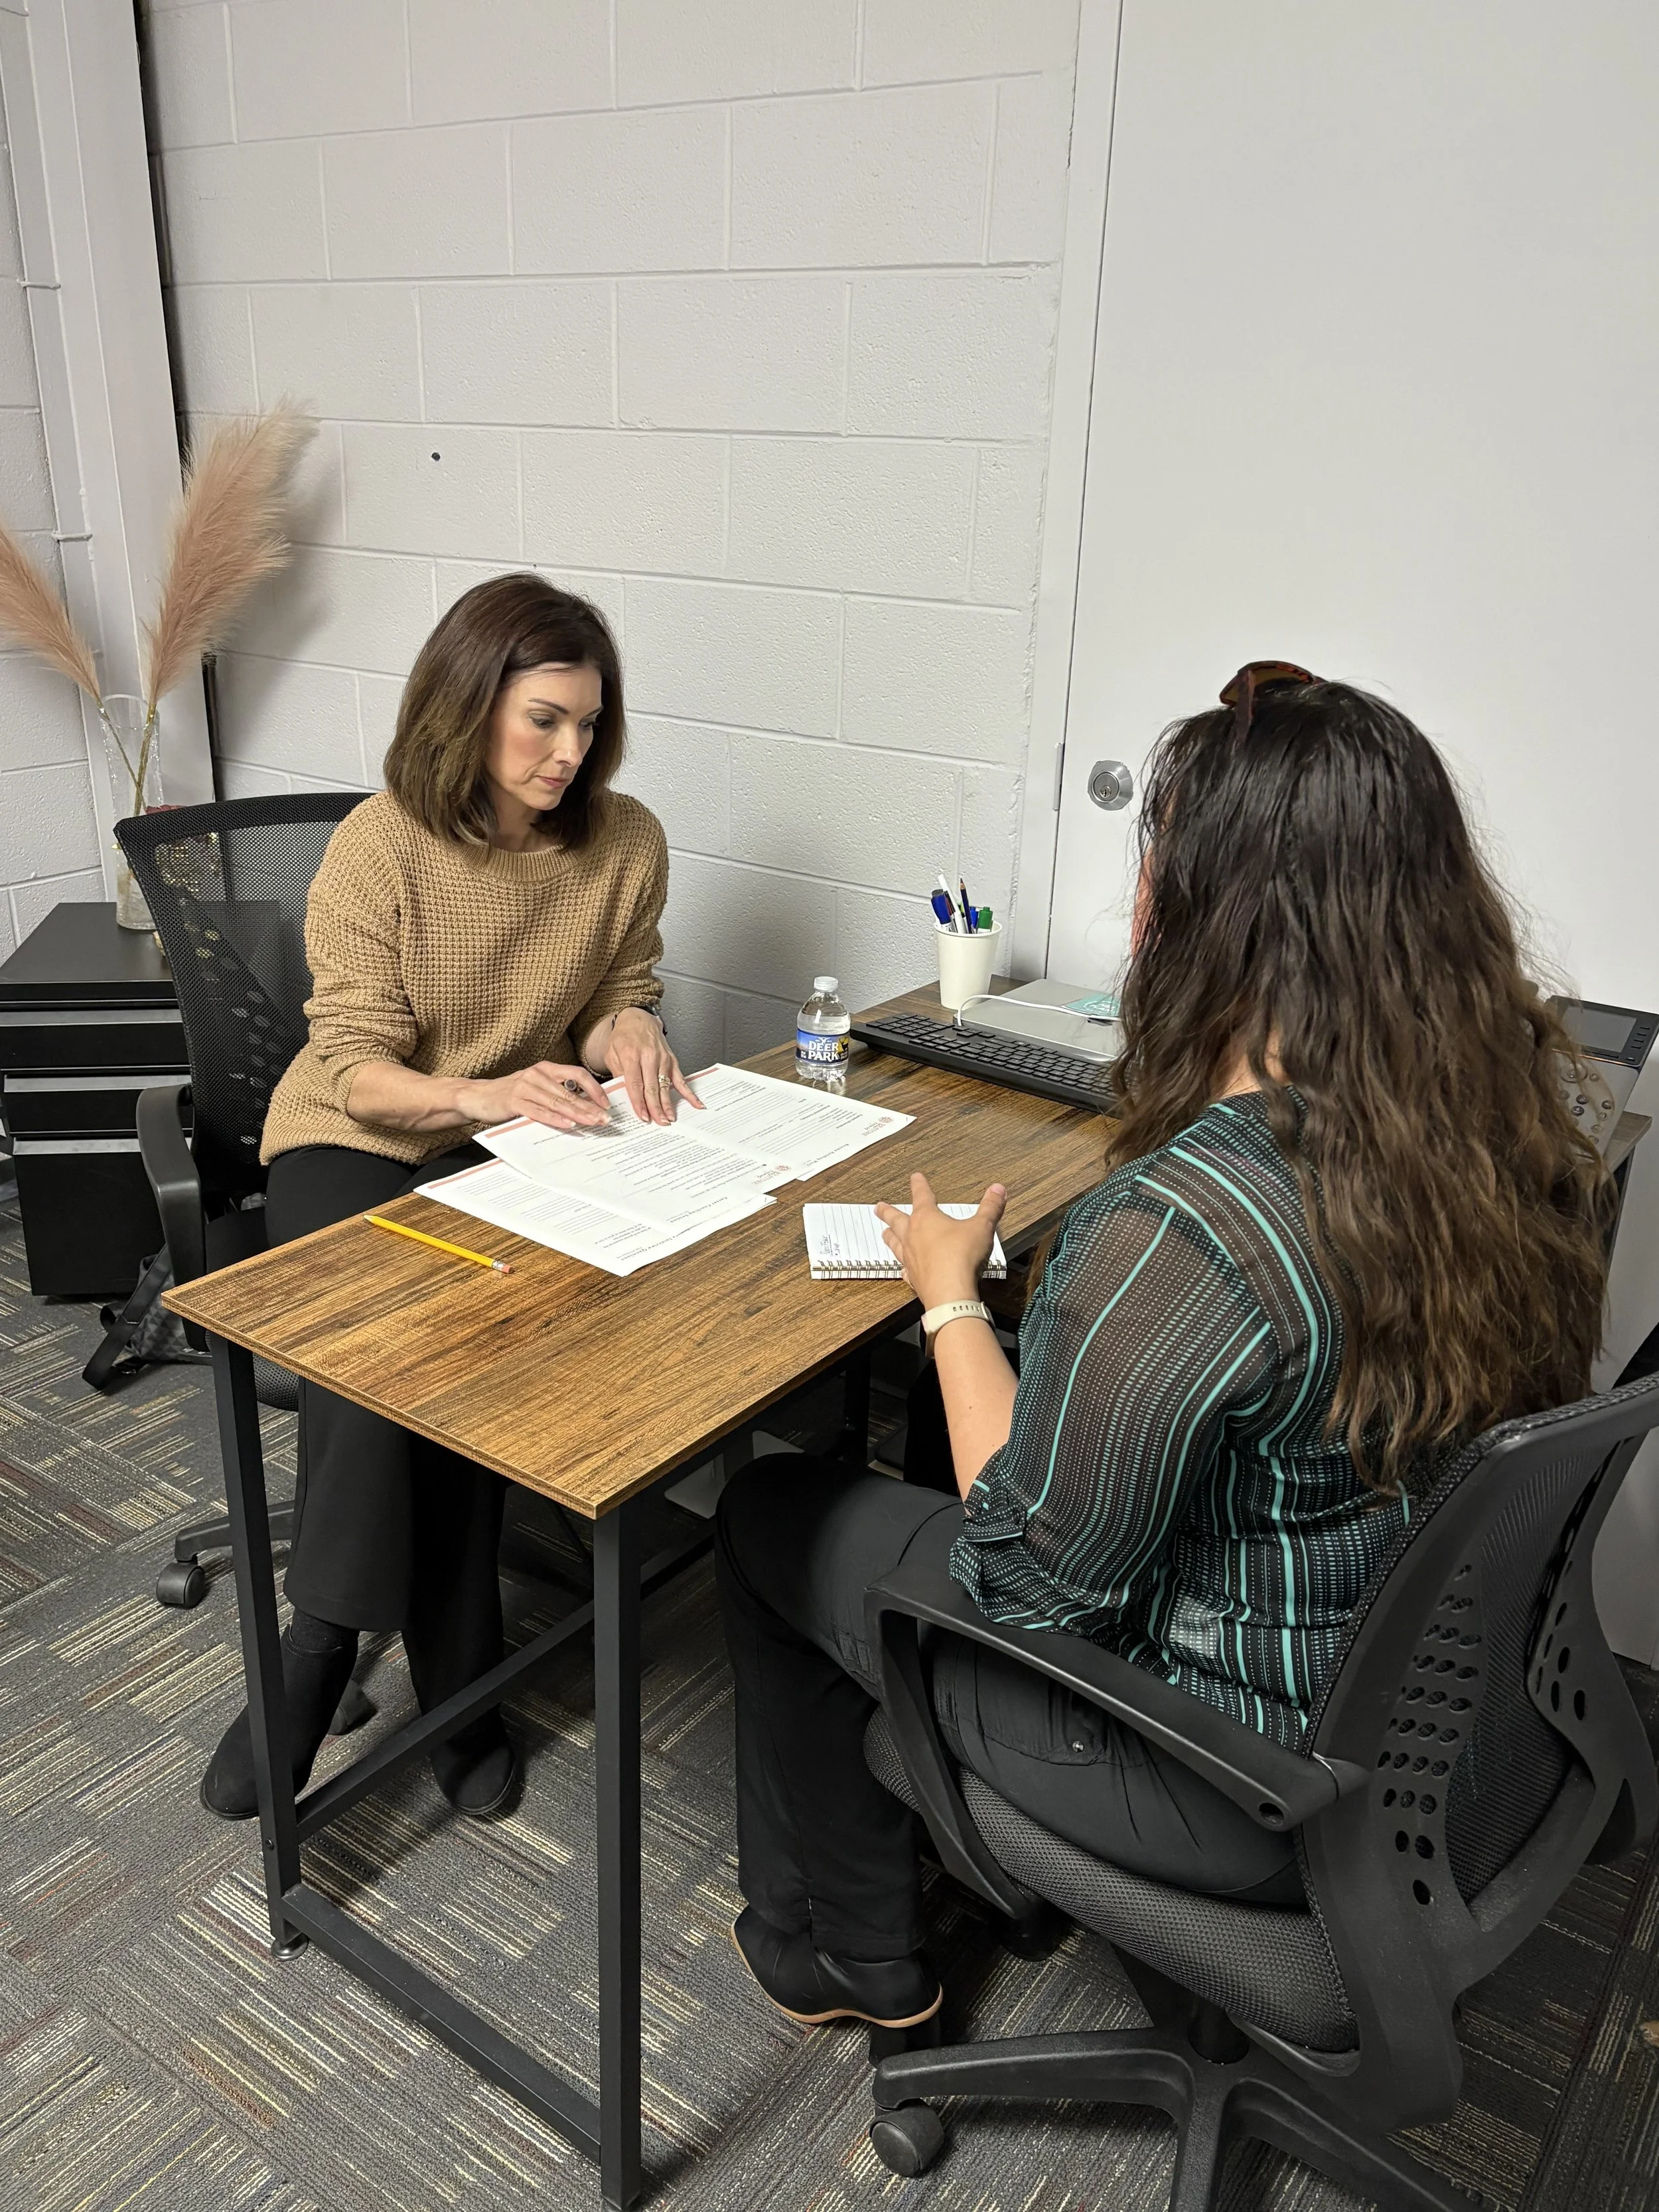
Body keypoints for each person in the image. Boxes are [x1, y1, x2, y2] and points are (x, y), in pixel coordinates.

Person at [715, 665, 1610, 2035]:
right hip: (1431, 1710)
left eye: (1158, 869)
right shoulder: (1508, 1135)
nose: (1135, 907)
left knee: (773, 1509)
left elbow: (1019, 1579)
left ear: (1221, 920)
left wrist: (951, 1296)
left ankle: (846, 1949)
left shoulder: (1188, 1225)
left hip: (1238, 1778)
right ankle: (950, 1861)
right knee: (965, 1411)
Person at [202, 573, 696, 1822]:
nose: (569, 752)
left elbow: (612, 983)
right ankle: (331, 1655)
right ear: (467, 708)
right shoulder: (381, 847)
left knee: (485, 1349)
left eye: (589, 724)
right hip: (358, 1136)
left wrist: (627, 1024)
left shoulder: (625, 840)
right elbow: (359, 1073)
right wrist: (486, 1097)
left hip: (502, 1141)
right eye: (542, 721)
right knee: (393, 1350)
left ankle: (446, 1670)